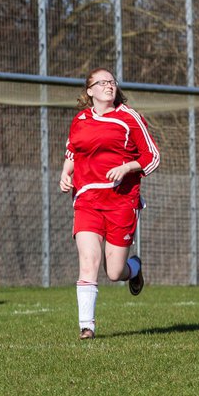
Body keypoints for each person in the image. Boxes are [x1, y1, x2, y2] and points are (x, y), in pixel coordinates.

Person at [59, 67, 158, 339]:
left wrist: (127, 167)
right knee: (88, 260)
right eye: (102, 82)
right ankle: (86, 327)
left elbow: (152, 157)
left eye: (112, 82)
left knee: (114, 272)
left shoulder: (130, 118)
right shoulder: (80, 119)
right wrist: (65, 174)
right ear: (89, 91)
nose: (109, 86)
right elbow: (72, 150)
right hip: (87, 199)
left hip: (121, 202)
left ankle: (134, 269)